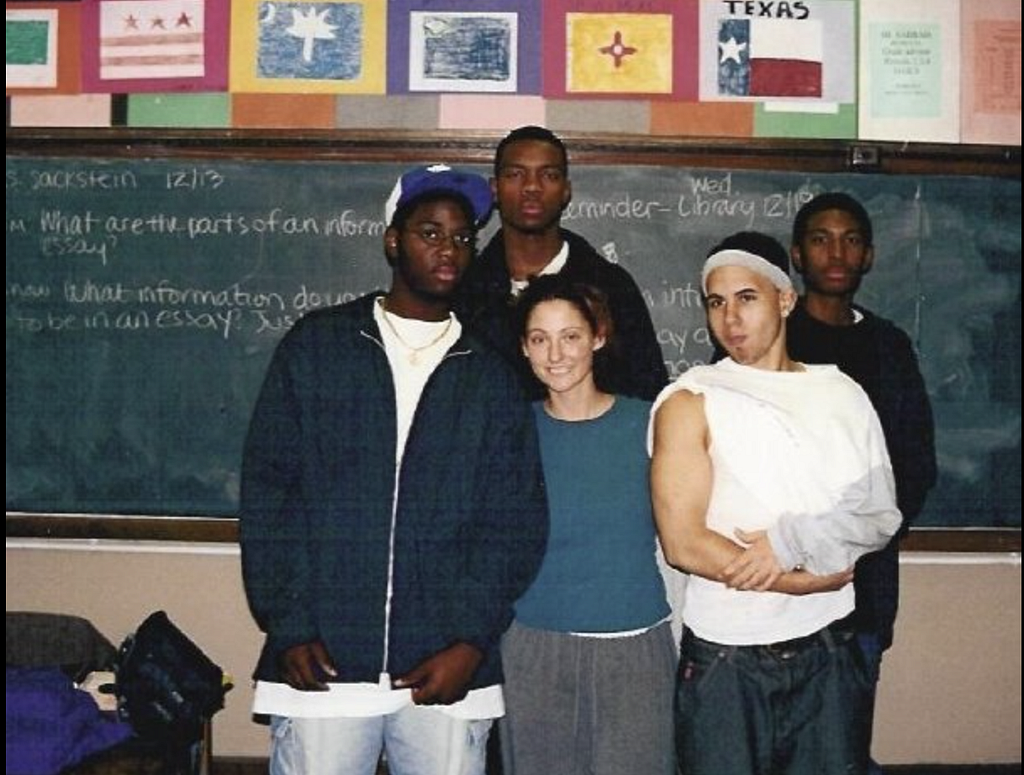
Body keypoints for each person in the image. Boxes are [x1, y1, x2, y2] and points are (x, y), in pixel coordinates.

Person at [239, 164, 549, 775]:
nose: (448, 249)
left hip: (444, 669)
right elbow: (270, 493)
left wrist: (471, 640)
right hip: (324, 662)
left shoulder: (490, 374)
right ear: (392, 241)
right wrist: (290, 624)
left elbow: (513, 522)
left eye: (462, 237)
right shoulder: (320, 346)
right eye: (429, 232)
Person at [649, 231, 903, 775]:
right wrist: (797, 580)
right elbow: (683, 542)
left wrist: (787, 544)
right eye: (716, 302)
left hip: (829, 645)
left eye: (747, 298)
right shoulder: (691, 398)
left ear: (785, 300)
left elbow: (879, 514)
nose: (730, 318)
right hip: (726, 654)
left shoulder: (841, 394)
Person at [500, 275, 675, 775]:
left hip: (634, 647)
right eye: (540, 338)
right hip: (533, 649)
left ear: (598, 337)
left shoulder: (652, 423)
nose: (555, 354)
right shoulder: (510, 430)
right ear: (524, 347)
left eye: (571, 336)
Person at [788, 192, 937, 771]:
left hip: (863, 588)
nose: (836, 253)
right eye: (821, 239)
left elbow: (914, 463)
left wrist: (859, 537)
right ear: (797, 255)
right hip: (777, 582)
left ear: (869, 256)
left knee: (843, 751)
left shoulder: (888, 346)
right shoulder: (770, 339)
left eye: (850, 240)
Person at [455, 125, 668, 400]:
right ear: (494, 189)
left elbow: (647, 395)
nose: (532, 187)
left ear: (566, 191)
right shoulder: (464, 290)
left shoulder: (610, 287)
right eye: (516, 174)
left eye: (549, 175)